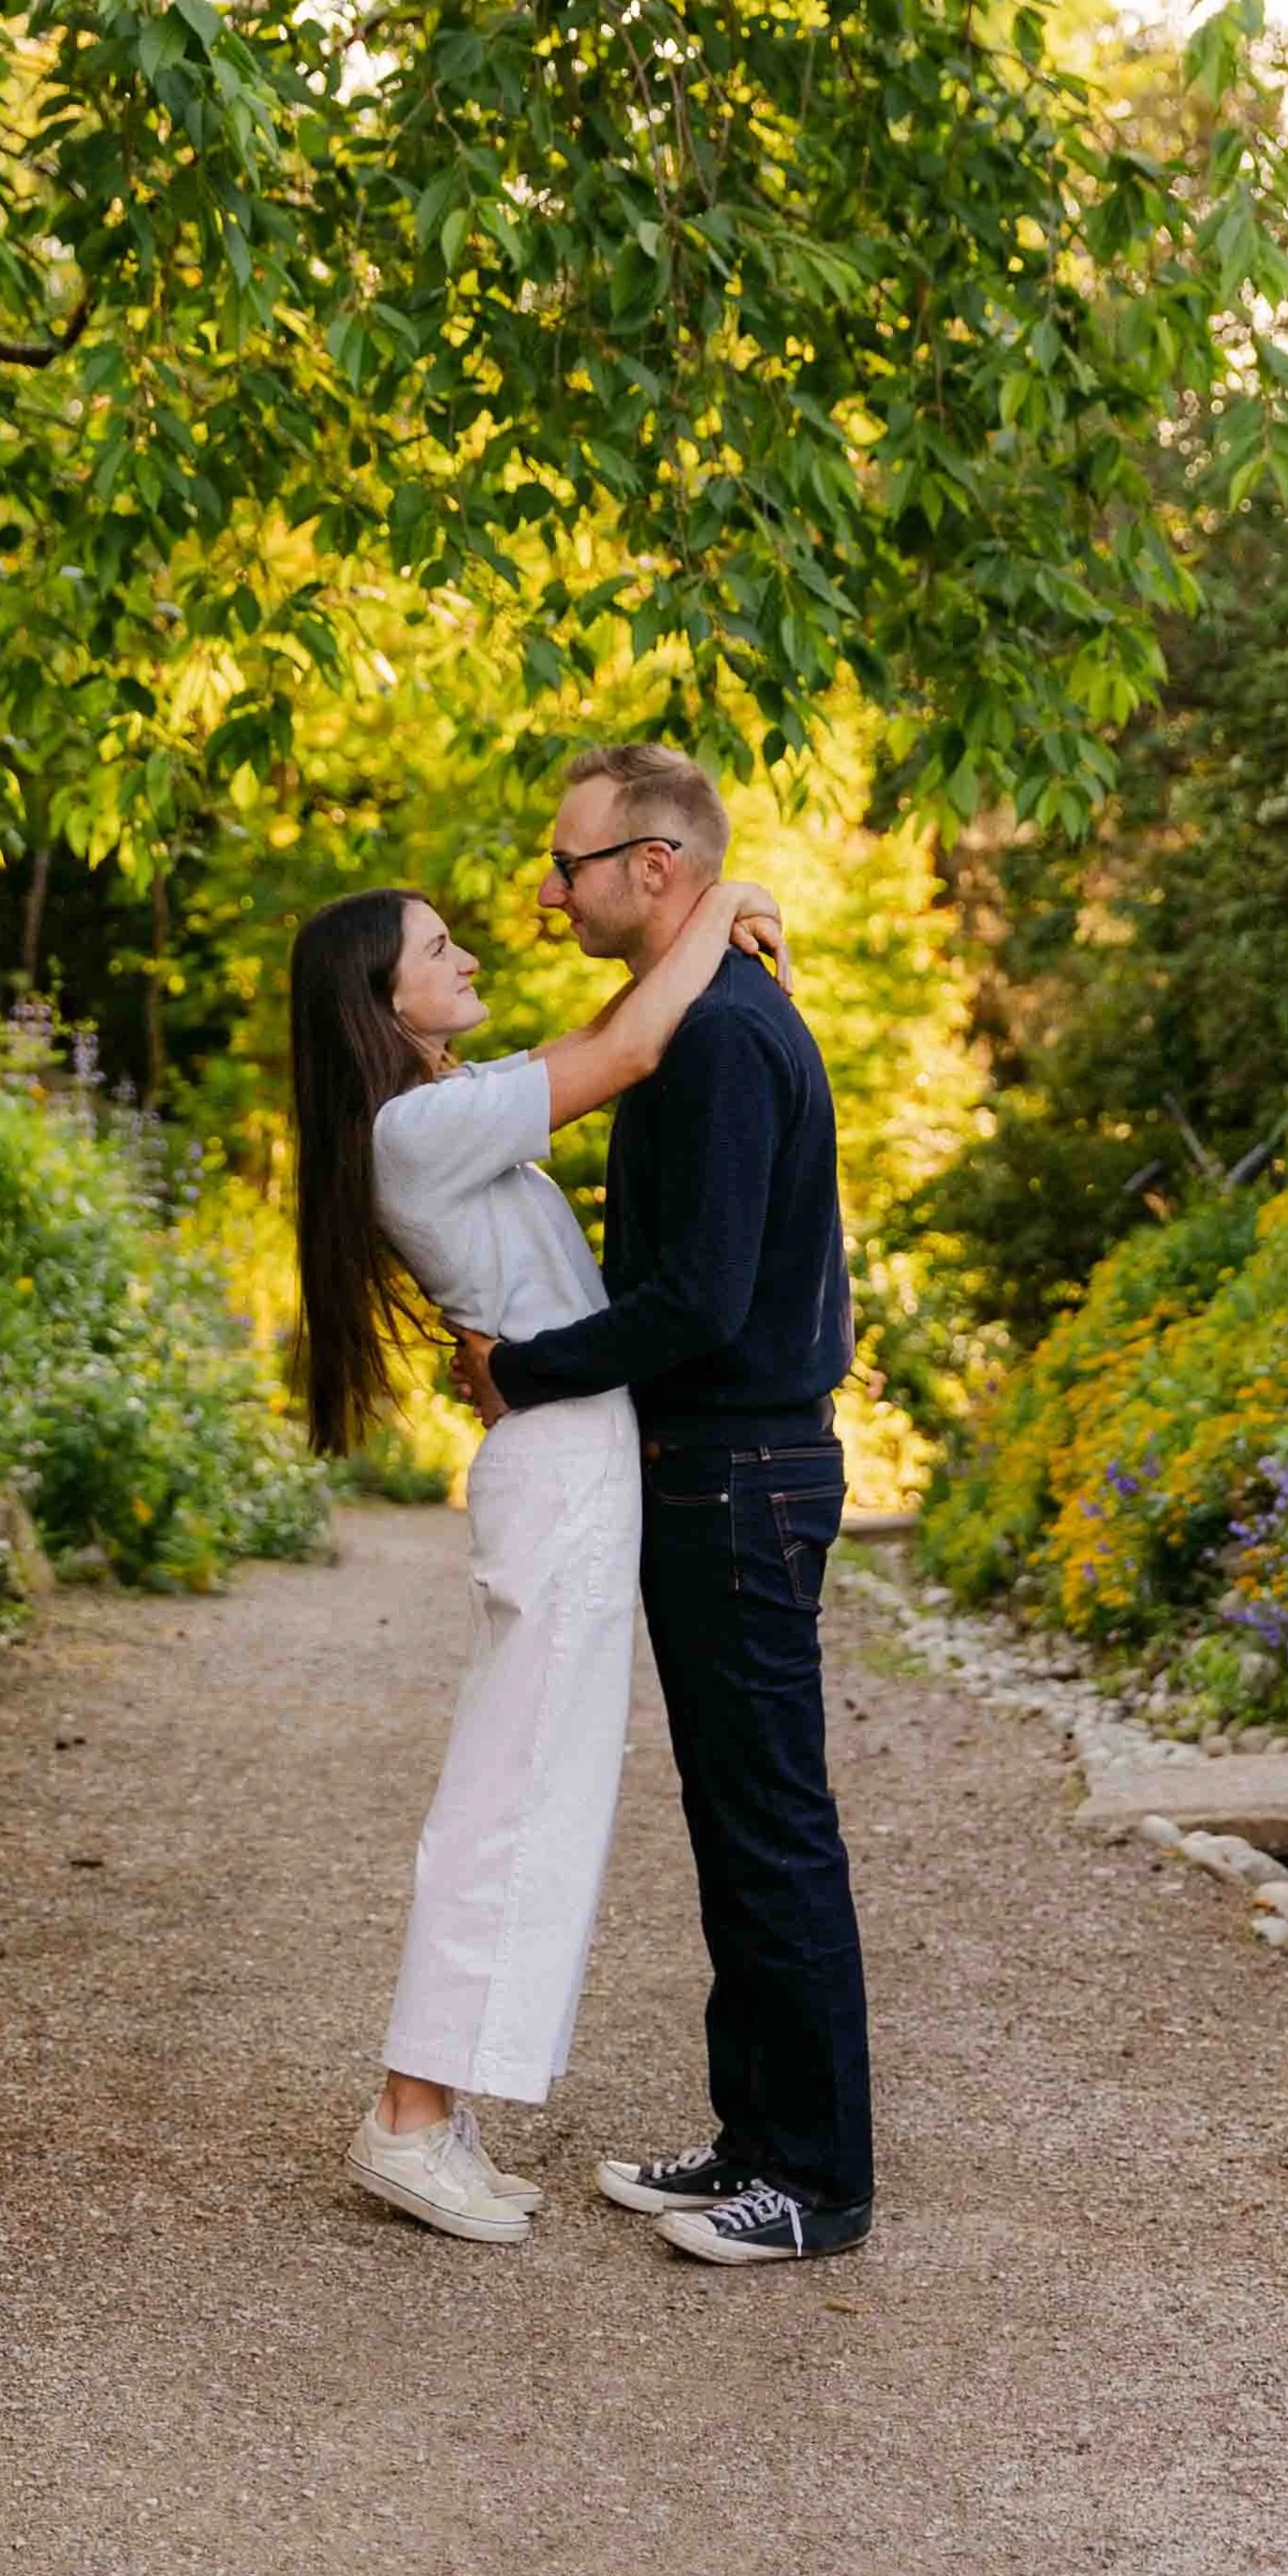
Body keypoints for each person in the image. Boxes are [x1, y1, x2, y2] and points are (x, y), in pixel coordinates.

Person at [287, 862, 787, 2246]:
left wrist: (688, 935)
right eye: (437, 949)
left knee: (540, 1793)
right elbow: (628, 1046)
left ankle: (438, 2113)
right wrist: (723, 896)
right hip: (559, 1466)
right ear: (377, 1000)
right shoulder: (422, 1125)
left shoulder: (438, 1108)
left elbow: (608, 1028)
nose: (471, 956)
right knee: (512, 1796)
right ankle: (405, 2115)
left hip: (571, 1458)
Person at [451, 743, 870, 2267]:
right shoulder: (685, 1015)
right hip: (719, 1466)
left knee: (772, 1822)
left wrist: (525, 1371)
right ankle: (751, 2139)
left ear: (655, 867)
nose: (546, 886)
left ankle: (816, 2181)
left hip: (747, 1467)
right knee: (730, 1814)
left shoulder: (721, 1037)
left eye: (566, 861)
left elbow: (695, 1296)